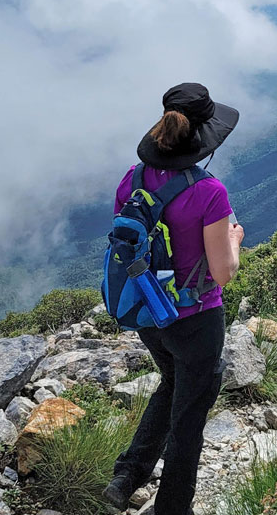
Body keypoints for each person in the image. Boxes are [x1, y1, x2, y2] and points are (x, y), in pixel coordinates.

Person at [104, 83, 244, 515]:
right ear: (202, 139)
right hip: (197, 319)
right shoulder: (209, 193)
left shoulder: (134, 178)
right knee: (190, 416)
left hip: (147, 313)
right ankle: (172, 507)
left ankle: (127, 476)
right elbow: (223, 273)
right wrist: (235, 239)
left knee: (171, 382)